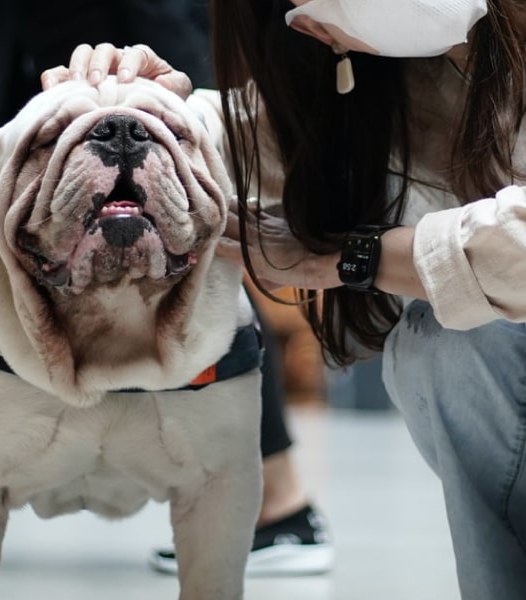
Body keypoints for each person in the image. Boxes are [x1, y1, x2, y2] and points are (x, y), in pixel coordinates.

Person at [0, 0, 333, 578]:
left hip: (130, 32)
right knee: (14, 250)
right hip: (33, 37)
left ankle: (278, 501)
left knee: (198, 273)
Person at [42, 0, 526, 598]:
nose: (309, 18)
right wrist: (136, 110)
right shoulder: (395, 78)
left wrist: (355, 256)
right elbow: (259, 133)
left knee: (463, 342)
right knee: (447, 344)